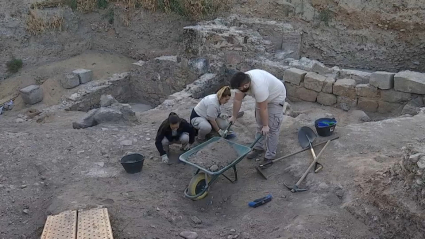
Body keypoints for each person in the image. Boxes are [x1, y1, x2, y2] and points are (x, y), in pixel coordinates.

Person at [229, 69, 286, 162]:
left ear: (246, 85)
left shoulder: (259, 87)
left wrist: (266, 125)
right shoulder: (241, 81)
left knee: (272, 128)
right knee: (260, 123)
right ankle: (258, 148)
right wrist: (234, 116)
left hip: (276, 97)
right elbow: (237, 100)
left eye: (239, 89)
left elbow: (263, 108)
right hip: (263, 97)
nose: (238, 91)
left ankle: (270, 155)